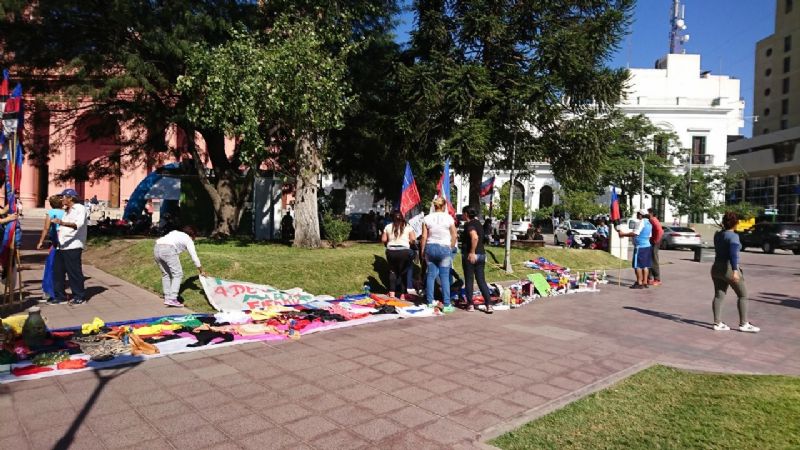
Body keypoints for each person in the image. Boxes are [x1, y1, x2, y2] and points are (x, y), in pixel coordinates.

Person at [711, 212, 759, 333]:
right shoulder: (733, 237)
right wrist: (735, 271)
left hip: (716, 267)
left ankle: (717, 323)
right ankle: (744, 324)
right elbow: (733, 255)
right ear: (736, 223)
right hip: (728, 268)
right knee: (743, 295)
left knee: (719, 295)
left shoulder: (717, 235)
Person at [51, 189, 89, 304]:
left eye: (63, 197)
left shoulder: (80, 209)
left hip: (73, 245)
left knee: (74, 272)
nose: (61, 199)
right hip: (61, 245)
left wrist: (61, 222)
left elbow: (78, 224)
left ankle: (79, 296)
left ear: (70, 198)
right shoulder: (67, 211)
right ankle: (60, 296)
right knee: (58, 272)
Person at [154, 225, 207, 307]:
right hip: (169, 249)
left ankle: (167, 297)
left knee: (166, 274)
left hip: (157, 248)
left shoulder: (175, 232)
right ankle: (173, 298)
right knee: (178, 274)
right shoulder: (188, 239)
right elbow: (194, 257)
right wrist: (201, 271)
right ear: (193, 235)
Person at [420, 197, 457, 313]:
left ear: (434, 206)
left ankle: (430, 302)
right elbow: (454, 235)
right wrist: (450, 247)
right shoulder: (449, 218)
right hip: (444, 248)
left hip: (430, 248)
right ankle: (446, 304)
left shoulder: (427, 218)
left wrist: (422, 250)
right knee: (445, 276)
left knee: (430, 275)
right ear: (444, 206)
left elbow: (424, 237)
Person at [461, 207, 494, 313]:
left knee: (469, 280)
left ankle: (470, 304)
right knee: (481, 280)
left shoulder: (469, 225)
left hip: (471, 255)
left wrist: (472, 252)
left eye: (463, 213)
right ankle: (489, 304)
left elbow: (474, 237)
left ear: (466, 214)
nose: (462, 216)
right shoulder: (479, 223)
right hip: (481, 254)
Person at [381, 210, 416, 298]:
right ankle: (403, 295)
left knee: (393, 271)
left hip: (391, 252)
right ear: (402, 217)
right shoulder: (407, 226)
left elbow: (383, 240)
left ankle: (392, 293)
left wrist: (389, 244)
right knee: (404, 272)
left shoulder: (388, 226)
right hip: (404, 252)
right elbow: (413, 239)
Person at [36, 195, 65, 301]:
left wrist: (41, 241)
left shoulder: (51, 213)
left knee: (50, 267)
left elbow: (46, 228)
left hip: (55, 242)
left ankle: (49, 291)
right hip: (65, 241)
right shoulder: (65, 212)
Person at [617, 209, 652, 289]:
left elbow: (635, 233)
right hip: (647, 246)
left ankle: (639, 283)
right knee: (645, 265)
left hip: (640, 247)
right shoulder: (649, 223)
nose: (636, 215)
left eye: (637, 214)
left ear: (640, 215)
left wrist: (623, 234)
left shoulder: (641, 222)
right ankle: (645, 282)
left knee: (637, 265)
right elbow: (649, 236)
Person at [647, 208, 664, 286]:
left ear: (652, 213)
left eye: (648, 212)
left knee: (654, 260)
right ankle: (649, 278)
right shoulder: (651, 220)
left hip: (655, 242)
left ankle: (657, 279)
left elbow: (660, 231)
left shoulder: (653, 220)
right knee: (650, 259)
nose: (647, 214)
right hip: (652, 242)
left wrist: (656, 240)